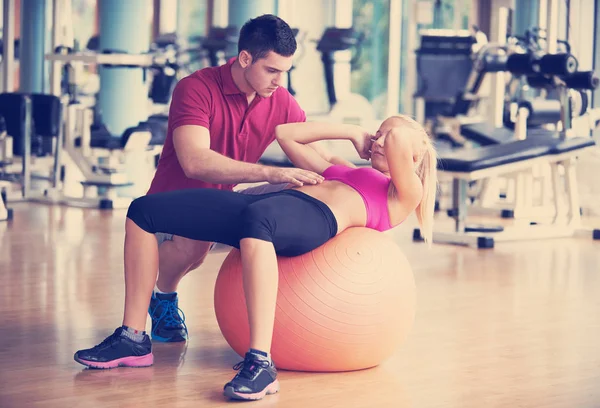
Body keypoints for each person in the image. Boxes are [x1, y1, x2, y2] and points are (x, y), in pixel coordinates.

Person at [74, 115, 438, 401]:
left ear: (412, 156)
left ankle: (261, 362)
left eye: (384, 137)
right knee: (143, 211)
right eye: (377, 134)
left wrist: (396, 135)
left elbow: (403, 141)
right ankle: (134, 337)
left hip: (313, 220)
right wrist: (351, 131)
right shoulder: (345, 169)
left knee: (257, 219)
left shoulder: (402, 194)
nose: (377, 141)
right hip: (261, 206)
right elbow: (286, 134)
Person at [143, 14, 343, 343]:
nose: (280, 81)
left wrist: (361, 176)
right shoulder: (195, 88)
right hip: (171, 210)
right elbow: (194, 162)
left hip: (224, 203)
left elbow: (318, 159)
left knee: (304, 187)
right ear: (245, 58)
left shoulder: (280, 100)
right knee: (196, 238)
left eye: (285, 72)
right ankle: (162, 296)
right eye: (272, 71)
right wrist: (269, 171)